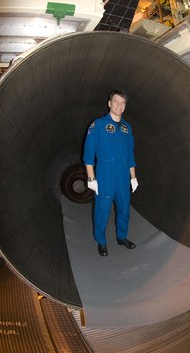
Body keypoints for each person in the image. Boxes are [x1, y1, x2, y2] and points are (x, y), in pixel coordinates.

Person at [83, 90, 138, 256]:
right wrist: (91, 178)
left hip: (122, 176)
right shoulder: (98, 124)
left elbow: (130, 155)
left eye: (122, 103)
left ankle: (122, 237)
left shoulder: (127, 128)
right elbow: (88, 154)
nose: (119, 106)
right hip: (105, 174)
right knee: (102, 210)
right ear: (109, 103)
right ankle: (101, 241)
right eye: (116, 102)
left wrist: (133, 177)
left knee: (124, 210)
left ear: (125, 106)